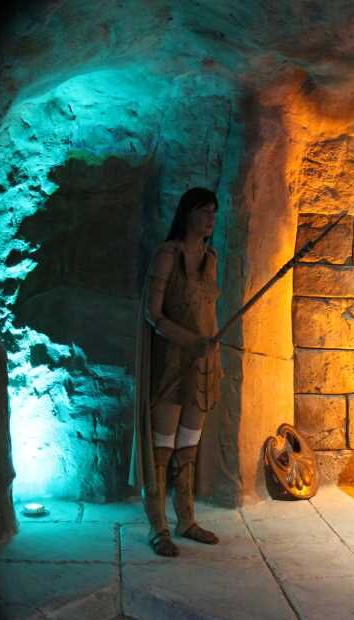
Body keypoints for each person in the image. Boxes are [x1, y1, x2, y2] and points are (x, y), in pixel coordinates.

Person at [131, 187, 223, 557]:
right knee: (161, 449)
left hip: (202, 367)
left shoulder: (211, 258)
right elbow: (153, 314)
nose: (210, 218)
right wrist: (191, 340)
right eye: (204, 211)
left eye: (214, 212)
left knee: (188, 447)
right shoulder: (167, 255)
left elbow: (207, 314)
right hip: (170, 363)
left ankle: (186, 520)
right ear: (187, 214)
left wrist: (209, 350)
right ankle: (159, 528)